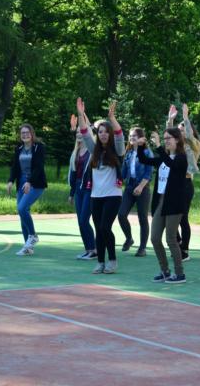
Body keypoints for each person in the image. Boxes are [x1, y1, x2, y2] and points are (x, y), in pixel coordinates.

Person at [77, 98, 125, 274]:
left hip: (113, 196)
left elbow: (119, 134)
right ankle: (100, 262)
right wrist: (81, 114)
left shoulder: (118, 150)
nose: (103, 134)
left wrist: (112, 118)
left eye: (106, 132)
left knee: (105, 227)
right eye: (101, 132)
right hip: (95, 196)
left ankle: (112, 260)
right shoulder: (94, 150)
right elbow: (84, 132)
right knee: (99, 229)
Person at [137, 128, 188, 283]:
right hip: (161, 201)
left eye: (168, 138)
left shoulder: (181, 158)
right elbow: (144, 160)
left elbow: (171, 164)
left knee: (171, 239)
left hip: (174, 203)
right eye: (164, 138)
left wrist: (158, 145)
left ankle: (179, 274)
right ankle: (165, 271)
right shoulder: (162, 159)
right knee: (154, 238)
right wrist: (140, 146)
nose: (166, 141)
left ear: (177, 139)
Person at [167, 103, 200, 261]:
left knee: (182, 218)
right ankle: (177, 244)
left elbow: (189, 135)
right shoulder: (175, 147)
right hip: (173, 184)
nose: (180, 133)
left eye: (182, 130)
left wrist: (185, 117)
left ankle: (184, 250)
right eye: (178, 131)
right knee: (170, 216)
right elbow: (168, 135)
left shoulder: (194, 144)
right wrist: (170, 121)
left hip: (185, 184)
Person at [7, 124, 48, 256]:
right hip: (21, 182)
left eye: (27, 132)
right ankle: (28, 247)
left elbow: (39, 167)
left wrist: (29, 182)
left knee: (22, 208)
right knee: (22, 214)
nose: (25, 135)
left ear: (32, 133)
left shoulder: (38, 147)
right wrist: (10, 181)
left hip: (35, 183)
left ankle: (33, 235)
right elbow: (15, 167)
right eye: (22, 133)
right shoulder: (18, 148)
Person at [118, 127, 153, 257]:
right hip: (129, 187)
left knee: (142, 218)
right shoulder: (129, 153)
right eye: (130, 136)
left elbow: (148, 173)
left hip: (143, 187)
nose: (131, 138)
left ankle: (142, 248)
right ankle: (129, 238)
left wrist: (141, 186)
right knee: (121, 214)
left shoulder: (147, 153)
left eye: (134, 136)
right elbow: (122, 174)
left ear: (141, 138)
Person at [68, 114, 96, 260]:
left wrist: (82, 114)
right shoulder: (76, 152)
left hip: (89, 189)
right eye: (77, 132)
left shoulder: (93, 151)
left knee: (84, 220)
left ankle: (94, 249)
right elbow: (73, 175)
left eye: (81, 131)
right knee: (80, 221)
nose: (79, 134)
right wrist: (71, 193)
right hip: (78, 188)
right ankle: (88, 249)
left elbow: (91, 129)